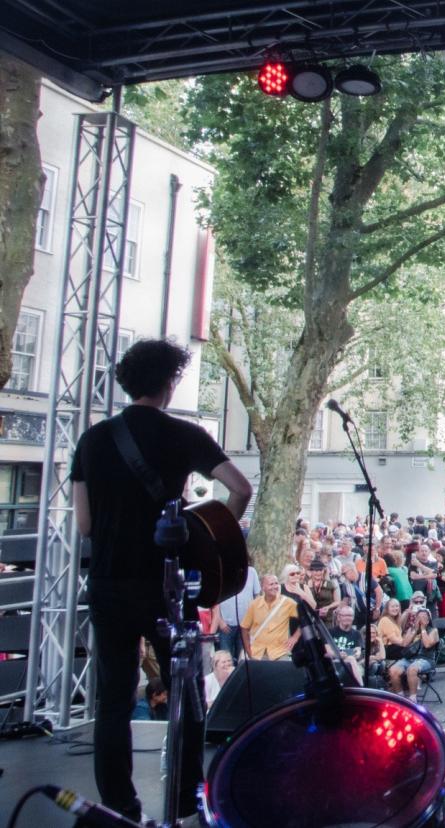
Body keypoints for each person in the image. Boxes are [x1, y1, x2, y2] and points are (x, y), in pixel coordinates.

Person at [69, 339, 254, 824]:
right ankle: (186, 800)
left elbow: (85, 525)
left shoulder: (91, 440)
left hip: (108, 584)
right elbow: (241, 488)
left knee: (113, 700)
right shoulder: (184, 435)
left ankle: (119, 807)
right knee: (186, 692)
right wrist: (210, 538)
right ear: (170, 382)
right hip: (165, 584)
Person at [240, 574, 298, 660]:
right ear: (263, 587)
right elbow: (244, 627)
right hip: (257, 653)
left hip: (280, 653)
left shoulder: (288, 603)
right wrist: (248, 649)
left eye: (276, 583)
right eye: (271, 584)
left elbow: (305, 620)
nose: (275, 586)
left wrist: (295, 637)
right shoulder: (254, 604)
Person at [388, 607, 439, 699]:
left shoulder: (433, 631)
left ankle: (412, 698)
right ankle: (400, 697)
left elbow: (427, 644)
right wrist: (415, 630)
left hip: (426, 659)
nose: (420, 620)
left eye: (423, 617)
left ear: (428, 619)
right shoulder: (411, 630)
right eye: (418, 617)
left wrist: (423, 629)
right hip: (409, 658)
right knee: (393, 670)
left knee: (412, 669)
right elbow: (404, 644)